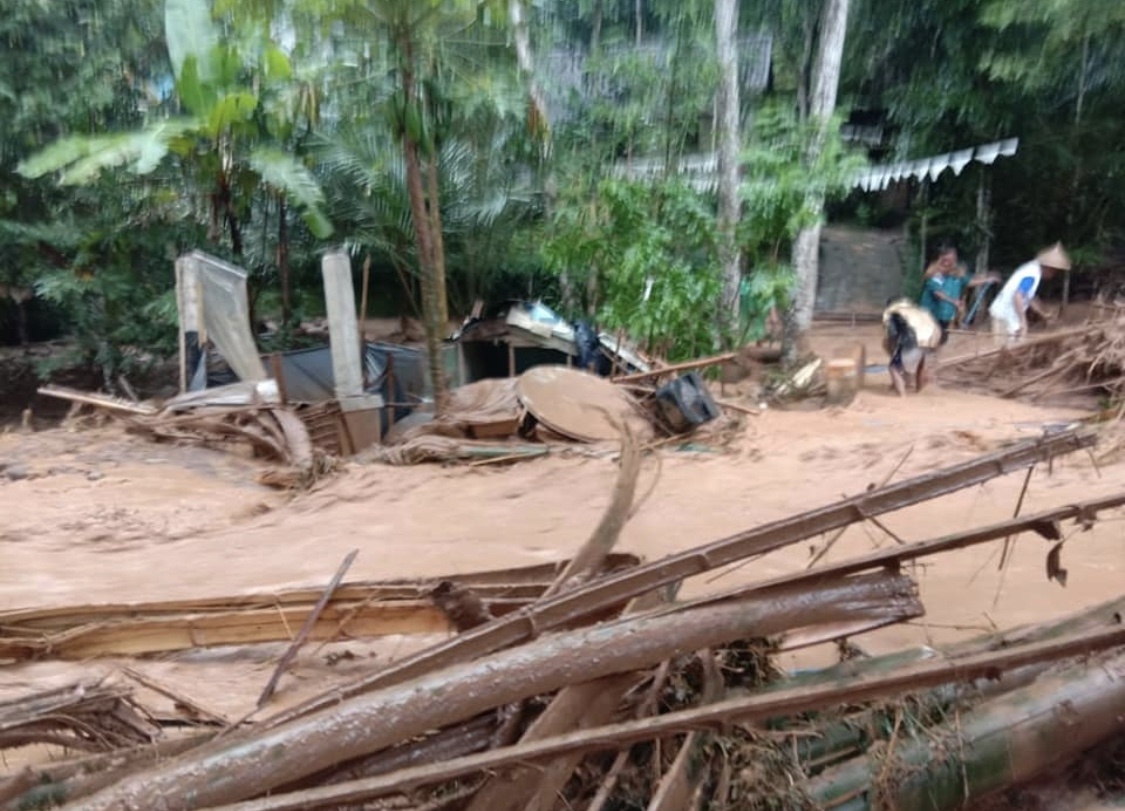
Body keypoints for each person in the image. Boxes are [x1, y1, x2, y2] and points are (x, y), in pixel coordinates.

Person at [988, 243, 1071, 347]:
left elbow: (1029, 298)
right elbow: (1017, 296)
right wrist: (1023, 321)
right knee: (1004, 349)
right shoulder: (1032, 274)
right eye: (1054, 272)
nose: (1053, 275)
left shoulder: (1033, 268)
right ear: (1049, 268)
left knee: (1014, 346)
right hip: (1004, 313)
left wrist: (1044, 314)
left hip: (1009, 313)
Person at [919, 243, 998, 344]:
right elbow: (937, 293)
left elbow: (969, 281)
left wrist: (987, 279)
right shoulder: (935, 274)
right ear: (942, 258)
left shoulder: (955, 273)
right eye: (949, 258)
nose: (952, 261)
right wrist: (953, 301)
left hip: (945, 315)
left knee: (942, 339)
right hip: (931, 314)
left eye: (954, 257)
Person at [882, 298, 942, 397]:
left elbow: (893, 334)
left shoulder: (893, 314)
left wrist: (893, 348)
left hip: (910, 342)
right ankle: (919, 390)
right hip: (930, 340)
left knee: (893, 368)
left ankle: (902, 395)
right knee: (920, 365)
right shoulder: (918, 311)